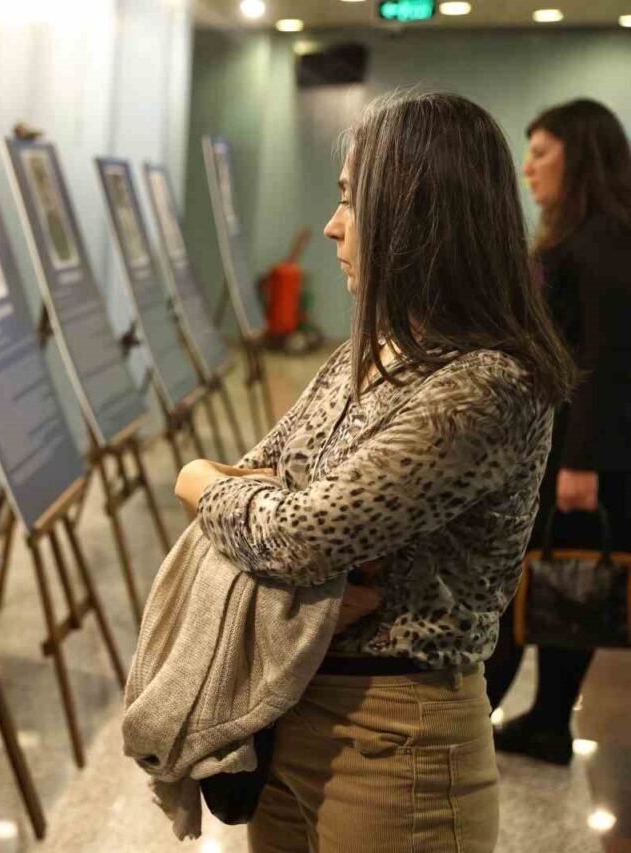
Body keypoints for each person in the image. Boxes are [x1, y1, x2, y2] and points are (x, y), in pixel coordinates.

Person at [174, 92, 575, 852]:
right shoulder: (371, 350)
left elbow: (300, 535)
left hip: (394, 741)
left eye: (353, 202)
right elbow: (259, 474)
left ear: (418, 217)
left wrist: (199, 480)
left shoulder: (485, 382)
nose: (332, 226)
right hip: (289, 711)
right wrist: (227, 487)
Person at [485, 98, 631, 765]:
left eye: (541, 152)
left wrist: (582, 464)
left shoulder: (603, 243)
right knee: (555, 578)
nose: (527, 167)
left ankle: (516, 716)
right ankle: (544, 720)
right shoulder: (582, 235)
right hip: (566, 446)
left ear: (582, 155)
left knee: (548, 577)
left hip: (580, 455)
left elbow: (605, 361)